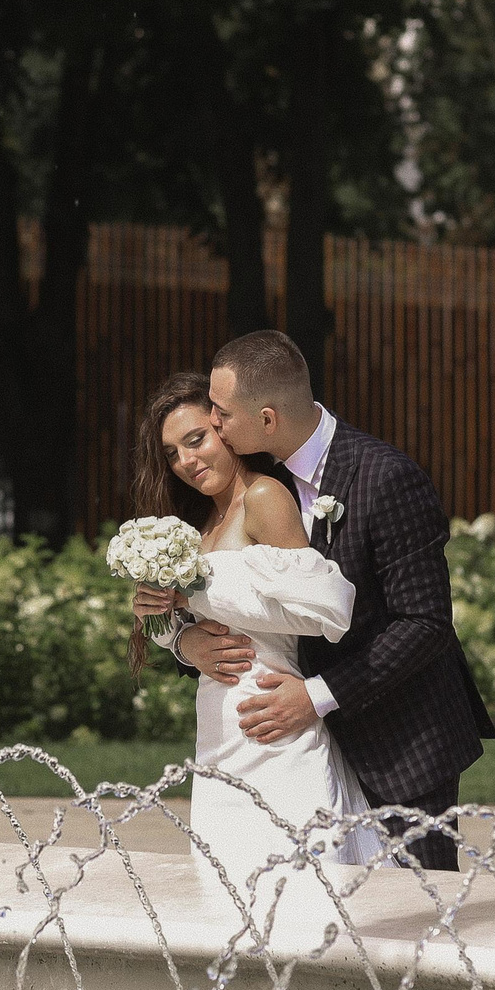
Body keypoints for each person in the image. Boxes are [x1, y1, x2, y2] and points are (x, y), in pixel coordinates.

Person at [144, 330, 495, 871]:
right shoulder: (254, 477)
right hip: (286, 740)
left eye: (220, 414)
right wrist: (184, 642)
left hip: (397, 739)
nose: (213, 424)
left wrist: (316, 696)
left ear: (266, 418)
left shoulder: (385, 478)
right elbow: (255, 614)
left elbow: (424, 623)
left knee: (417, 910)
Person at [127, 371, 380, 907]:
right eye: (172, 453)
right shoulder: (198, 524)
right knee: (224, 896)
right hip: (218, 732)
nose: (187, 461)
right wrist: (177, 636)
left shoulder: (264, 496)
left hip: (274, 721)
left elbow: (320, 610)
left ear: (224, 430)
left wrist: (198, 592)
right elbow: (192, 623)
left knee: (299, 894)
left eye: (197, 439)